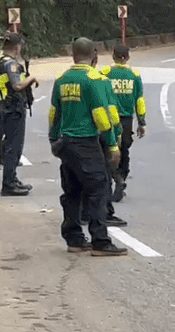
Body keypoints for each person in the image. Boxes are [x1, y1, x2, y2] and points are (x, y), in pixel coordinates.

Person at [49, 37, 127, 256]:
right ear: (94, 54)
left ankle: (74, 239)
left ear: (73, 55)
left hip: (66, 143)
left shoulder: (62, 79)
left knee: (71, 191)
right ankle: (100, 241)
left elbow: (54, 113)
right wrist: (112, 144)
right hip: (86, 142)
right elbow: (103, 116)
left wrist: (53, 139)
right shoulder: (95, 79)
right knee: (98, 190)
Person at [0, 32, 37, 196]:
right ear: (17, 47)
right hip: (13, 109)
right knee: (14, 147)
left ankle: (12, 179)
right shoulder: (11, 64)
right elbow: (17, 85)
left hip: (5, 107)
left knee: (11, 145)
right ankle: (9, 184)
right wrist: (31, 78)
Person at [100, 44, 146, 203]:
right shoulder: (134, 75)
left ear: (113, 56)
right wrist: (141, 122)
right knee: (124, 150)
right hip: (126, 120)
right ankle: (122, 177)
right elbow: (139, 101)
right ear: (127, 57)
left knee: (108, 150)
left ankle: (115, 179)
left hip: (107, 119)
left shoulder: (105, 73)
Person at [89, 53, 126, 227]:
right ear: (94, 60)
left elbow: (54, 113)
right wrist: (114, 140)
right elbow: (109, 113)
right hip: (99, 135)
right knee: (103, 177)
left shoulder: (64, 79)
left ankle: (82, 214)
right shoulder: (101, 82)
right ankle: (106, 214)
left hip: (74, 137)